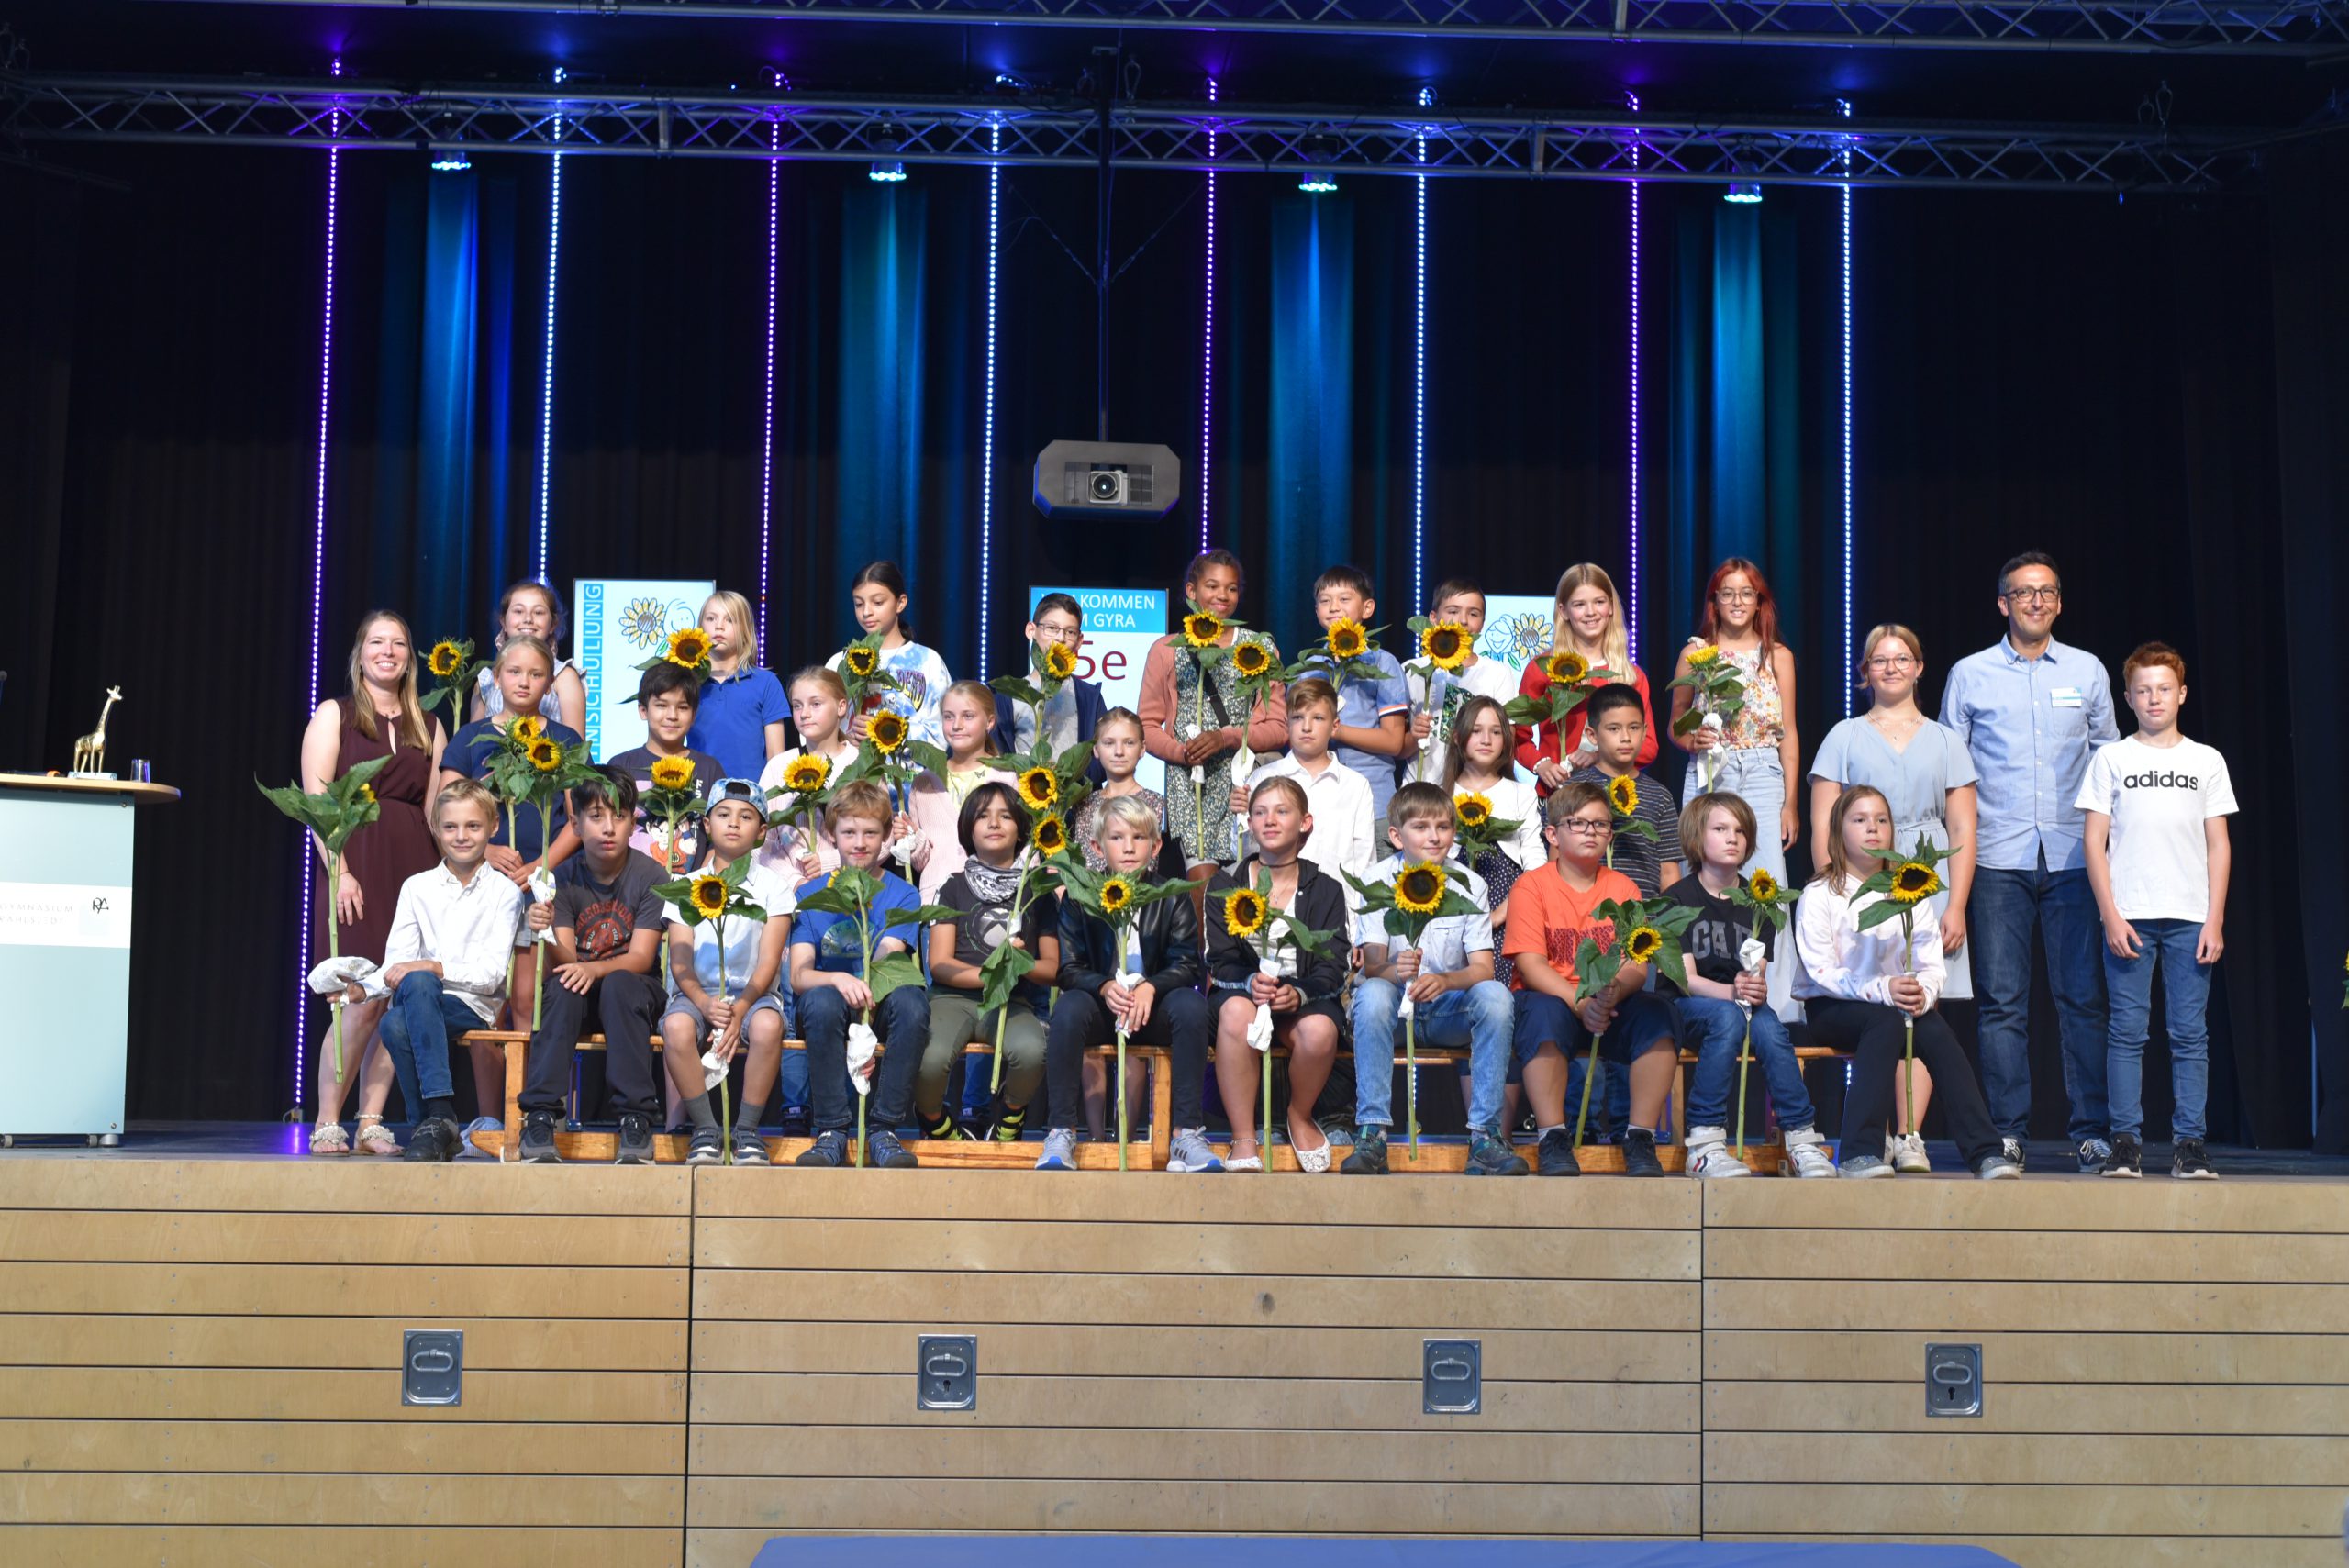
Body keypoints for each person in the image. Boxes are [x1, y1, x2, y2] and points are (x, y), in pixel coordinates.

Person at [1941, 550, 2119, 1172]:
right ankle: (2008, 1134)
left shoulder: (2088, 670)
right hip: (1995, 856)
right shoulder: (1970, 673)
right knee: (2002, 1004)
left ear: (2059, 602)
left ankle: (2092, 1131)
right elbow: (1953, 770)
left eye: (2045, 592)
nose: (2035, 601)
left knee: (2082, 1000)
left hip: (2073, 855)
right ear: (2003, 603)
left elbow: (2108, 761)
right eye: (2023, 592)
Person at [1809, 623, 1979, 1171]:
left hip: (1927, 876)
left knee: (1923, 1005)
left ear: (1919, 667)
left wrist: (1956, 904)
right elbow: (1824, 822)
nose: (1891, 668)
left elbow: (1963, 826)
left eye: (1902, 658)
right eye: (1880, 660)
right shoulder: (1844, 736)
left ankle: (1909, 1136)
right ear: (1865, 672)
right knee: (1875, 1008)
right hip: (1860, 874)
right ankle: (1874, 1135)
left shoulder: (1946, 739)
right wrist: (1835, 887)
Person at [1794, 784, 2019, 1180]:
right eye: (1860, 820)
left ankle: (1986, 1152)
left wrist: (1922, 994)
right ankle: (1859, 1153)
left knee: (1934, 1027)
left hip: (1895, 1006)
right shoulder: (1820, 893)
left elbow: (1931, 963)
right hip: (1833, 1007)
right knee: (1883, 1021)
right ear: (1839, 830)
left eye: (1881, 820)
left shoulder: (1909, 893)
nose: (1873, 828)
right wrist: (1885, 990)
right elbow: (1821, 971)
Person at [2079, 643, 2235, 1180]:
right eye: (2143, 690)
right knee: (2127, 1031)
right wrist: (2110, 914)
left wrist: (2215, 918)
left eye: (2164, 689)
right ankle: (2125, 1142)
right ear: (2127, 698)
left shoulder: (2206, 760)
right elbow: (2094, 842)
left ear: (2182, 694)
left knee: (2190, 1034)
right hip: (2130, 915)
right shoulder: (2112, 759)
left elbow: (2218, 844)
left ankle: (2190, 1143)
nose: (2154, 698)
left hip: (2190, 916)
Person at [300, 610, 447, 1155]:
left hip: (414, 869)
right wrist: (340, 871)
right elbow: (317, 803)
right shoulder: (334, 715)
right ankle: (327, 1120)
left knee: (394, 1002)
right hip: (355, 863)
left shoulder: (428, 724)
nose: (388, 651)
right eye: (377, 642)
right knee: (356, 998)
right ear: (360, 653)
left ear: (410, 657)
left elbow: (435, 810)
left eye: (399, 643)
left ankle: (370, 1122)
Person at [1344, 782, 1525, 1177]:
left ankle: (1485, 1136)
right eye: (1421, 827)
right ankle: (1372, 1133)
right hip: (1394, 1011)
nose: (1434, 837)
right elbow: (1372, 965)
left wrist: (1445, 980)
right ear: (1397, 836)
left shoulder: (1469, 884)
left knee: (1496, 996)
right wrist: (1395, 969)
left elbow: (1482, 968)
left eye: (1443, 827)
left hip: (1445, 1011)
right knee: (1372, 994)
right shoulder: (1377, 880)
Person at [1505, 782, 1681, 1178]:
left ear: (1610, 835)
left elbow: (1636, 962)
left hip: (1608, 1004)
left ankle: (1640, 1137)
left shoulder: (1623, 887)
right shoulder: (1531, 886)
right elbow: (1531, 966)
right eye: (1578, 823)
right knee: (1543, 1016)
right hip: (1555, 997)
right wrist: (1581, 1002)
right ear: (1553, 834)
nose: (1590, 831)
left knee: (1659, 1014)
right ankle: (1553, 1137)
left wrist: (1612, 992)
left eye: (1600, 824)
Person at [1036, 795, 1219, 1174]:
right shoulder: (1080, 897)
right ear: (1097, 846)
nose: (1129, 847)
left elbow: (1187, 964)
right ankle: (1061, 1131)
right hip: (1102, 1009)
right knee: (1068, 1007)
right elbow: (1069, 968)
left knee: (1191, 1007)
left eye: (1139, 837)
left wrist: (1151, 987)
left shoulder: (1172, 894)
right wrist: (1104, 986)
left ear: (1156, 846)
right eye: (1117, 838)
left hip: (1153, 1009)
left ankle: (1186, 1135)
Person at [1663, 794, 1836, 1180]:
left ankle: (1801, 1140)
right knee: (1727, 1018)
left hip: (1739, 1006)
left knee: (1773, 1031)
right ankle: (1704, 1143)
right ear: (1696, 837)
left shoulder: (1763, 903)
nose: (1733, 838)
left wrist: (1752, 989)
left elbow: (1755, 970)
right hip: (1688, 1007)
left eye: (1740, 831)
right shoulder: (1677, 899)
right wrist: (1732, 993)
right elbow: (1684, 979)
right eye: (1721, 829)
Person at [515, 767, 668, 1165]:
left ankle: (635, 1119)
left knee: (619, 983)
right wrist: (546, 933)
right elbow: (567, 962)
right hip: (579, 988)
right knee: (561, 988)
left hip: (634, 992)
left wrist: (595, 969)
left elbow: (641, 958)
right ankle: (540, 1115)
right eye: (596, 816)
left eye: (619, 816)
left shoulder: (651, 875)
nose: (609, 828)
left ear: (633, 822)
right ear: (576, 824)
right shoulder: (561, 878)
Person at [373, 779, 523, 1162]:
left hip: (473, 1005)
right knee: (410, 997)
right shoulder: (416, 887)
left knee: (398, 1018)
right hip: (421, 996)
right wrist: (362, 987)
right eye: (451, 827)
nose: (461, 836)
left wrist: (433, 966)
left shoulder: (505, 892)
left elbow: (491, 975)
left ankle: (431, 1119)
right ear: (436, 829)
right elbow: (396, 963)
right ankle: (439, 1122)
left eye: (473, 826)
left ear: (493, 828)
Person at [1206, 777, 1351, 1172]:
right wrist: (1248, 983)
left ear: (1305, 822)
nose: (1269, 820)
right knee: (1237, 1012)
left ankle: (1299, 1116)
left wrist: (1298, 993)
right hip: (1243, 995)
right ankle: (1243, 1136)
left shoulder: (1326, 889)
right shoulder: (1225, 884)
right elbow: (1219, 959)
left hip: (1303, 999)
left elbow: (1334, 964)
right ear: (1250, 823)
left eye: (1281, 811)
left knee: (1319, 1031)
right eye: (1260, 812)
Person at [788, 780, 932, 1170]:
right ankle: (831, 1130)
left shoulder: (903, 894)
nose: (859, 843)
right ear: (832, 836)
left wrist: (865, 1027)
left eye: (870, 833)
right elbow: (800, 974)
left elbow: (888, 959)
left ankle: (884, 1129)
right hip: (827, 1009)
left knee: (912, 1002)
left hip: (879, 1002)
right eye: (849, 832)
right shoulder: (810, 895)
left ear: (886, 836)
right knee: (821, 1001)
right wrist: (837, 979)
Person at [661, 778, 796, 1168]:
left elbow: (769, 961)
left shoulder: (774, 888)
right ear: (707, 825)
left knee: (769, 1026)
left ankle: (747, 1130)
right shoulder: (685, 887)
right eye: (723, 814)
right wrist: (704, 1003)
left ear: (762, 831)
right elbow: (680, 962)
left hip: (753, 995)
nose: (733, 823)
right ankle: (705, 1129)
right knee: (677, 1027)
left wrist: (741, 1009)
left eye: (746, 817)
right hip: (696, 994)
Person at [923, 783, 1060, 1144]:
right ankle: (938, 1123)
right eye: (983, 816)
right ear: (968, 829)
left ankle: (1010, 1116)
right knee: (929, 1060)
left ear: (1021, 830)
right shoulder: (951, 887)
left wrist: (1019, 964)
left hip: (1012, 1002)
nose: (994, 823)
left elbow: (1051, 969)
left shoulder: (1038, 892)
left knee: (1032, 1052)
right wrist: (990, 975)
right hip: (952, 1000)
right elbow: (939, 964)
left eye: (1005, 816)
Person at [1139, 549, 1287, 877]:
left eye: (1231, 588)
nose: (1223, 595)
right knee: (1203, 893)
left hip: (1245, 785)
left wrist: (1227, 737)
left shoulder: (1260, 648)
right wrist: (1182, 752)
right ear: (1191, 591)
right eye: (1212, 586)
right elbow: (1146, 726)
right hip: (1193, 785)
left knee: (1249, 889)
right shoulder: (1166, 650)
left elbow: (1279, 728)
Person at [1666, 559, 1800, 884]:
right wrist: (1692, 741)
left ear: (1759, 602)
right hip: (1711, 769)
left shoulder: (1777, 655)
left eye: (1746, 593)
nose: (1737, 602)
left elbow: (1789, 734)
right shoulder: (1696, 654)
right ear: (1714, 602)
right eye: (1727, 594)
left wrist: (1791, 804)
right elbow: (1675, 724)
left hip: (1763, 772)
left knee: (1767, 878)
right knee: (1703, 870)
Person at [1233, 678, 1375, 909]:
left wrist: (1359, 920)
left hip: (1336, 911)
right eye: (1298, 717)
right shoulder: (1263, 778)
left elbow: (1364, 863)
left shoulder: (1356, 785)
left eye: (1317, 718)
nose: (1306, 727)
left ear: (1334, 726)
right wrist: (1240, 817)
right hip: (1275, 911)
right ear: (1287, 722)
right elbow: (1244, 852)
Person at [1515, 563, 1658, 791]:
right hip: (1556, 795)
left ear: (1611, 607)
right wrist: (1541, 764)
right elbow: (1517, 736)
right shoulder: (1543, 668)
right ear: (1563, 611)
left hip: (1613, 797)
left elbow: (1648, 746)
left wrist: (1600, 756)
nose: (1591, 612)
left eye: (1599, 602)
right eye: (1579, 605)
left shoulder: (1630, 675)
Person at [1296, 564, 1411, 826]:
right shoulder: (1308, 667)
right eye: (1325, 601)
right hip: (1316, 799)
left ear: (1367, 608)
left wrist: (1336, 731)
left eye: (1344, 599)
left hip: (1373, 799)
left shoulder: (1382, 663)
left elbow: (1394, 741)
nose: (1334, 607)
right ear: (1316, 611)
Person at [1441, 695, 1542, 986]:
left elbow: (1535, 865)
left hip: (1508, 908)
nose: (1486, 739)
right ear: (1458, 737)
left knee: (1497, 991)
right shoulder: (1441, 794)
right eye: (1476, 731)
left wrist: (1499, 915)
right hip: (1449, 909)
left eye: (1496, 732)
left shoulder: (1521, 794)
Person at [606, 662, 723, 873]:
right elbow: (607, 829)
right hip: (631, 886)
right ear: (643, 710)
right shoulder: (621, 765)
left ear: (694, 714)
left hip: (690, 888)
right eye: (661, 705)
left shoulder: (709, 769)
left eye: (683, 707)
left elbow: (719, 839)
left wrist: (698, 881)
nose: (672, 715)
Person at [905, 679, 1015, 902]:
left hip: (993, 900)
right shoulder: (924, 783)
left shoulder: (1008, 776)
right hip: (937, 901)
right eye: (948, 717)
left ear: (990, 722)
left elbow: (1025, 847)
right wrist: (913, 840)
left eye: (968, 716)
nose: (957, 725)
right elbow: (921, 862)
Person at [1568, 683, 1681, 898]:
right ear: (1592, 735)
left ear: (1645, 731)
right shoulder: (1573, 790)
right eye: (1614, 729)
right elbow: (1558, 859)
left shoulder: (1660, 796)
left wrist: (1669, 915)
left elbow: (1668, 872)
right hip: (1586, 911)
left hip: (1644, 914)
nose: (1626, 737)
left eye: (1634, 728)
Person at [827, 560, 953, 751]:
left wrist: (886, 732)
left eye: (878, 602)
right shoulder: (840, 662)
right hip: (853, 768)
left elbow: (946, 730)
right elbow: (817, 727)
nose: (866, 612)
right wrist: (842, 739)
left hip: (909, 769)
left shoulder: (928, 662)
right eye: (859, 604)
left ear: (900, 603)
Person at [756, 665, 862, 886]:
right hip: (790, 892)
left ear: (841, 706)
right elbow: (762, 843)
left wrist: (832, 861)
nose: (804, 714)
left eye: (816, 704)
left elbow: (883, 839)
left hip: (850, 886)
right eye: (797, 705)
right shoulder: (779, 767)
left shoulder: (861, 764)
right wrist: (794, 881)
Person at [1409, 578, 1521, 787]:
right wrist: (1414, 735)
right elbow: (1398, 747)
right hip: (1421, 791)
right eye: (1453, 611)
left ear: (1483, 623)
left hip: (1476, 791)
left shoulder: (1497, 673)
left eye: (1473, 614)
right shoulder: (1411, 670)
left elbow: (1506, 747)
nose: (1463, 621)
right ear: (1433, 618)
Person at [992, 593, 1109, 780]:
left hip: (1075, 795)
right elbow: (997, 758)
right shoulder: (1008, 696)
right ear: (1031, 630)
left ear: (1079, 641)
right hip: (1023, 794)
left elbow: (1105, 758)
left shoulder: (1089, 698)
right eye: (1052, 628)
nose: (1060, 638)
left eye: (1070, 632)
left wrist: (1067, 780)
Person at [686, 589, 789, 781]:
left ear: (745, 629)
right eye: (711, 618)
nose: (719, 626)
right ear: (700, 626)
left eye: (730, 620)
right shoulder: (687, 683)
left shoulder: (766, 683)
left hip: (750, 793)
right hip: (699, 792)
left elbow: (776, 755)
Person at [471, 577, 585, 733]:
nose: (528, 619)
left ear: (553, 624)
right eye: (519, 611)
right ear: (503, 622)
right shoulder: (486, 680)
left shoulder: (563, 677)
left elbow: (575, 744)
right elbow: (473, 740)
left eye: (538, 612)